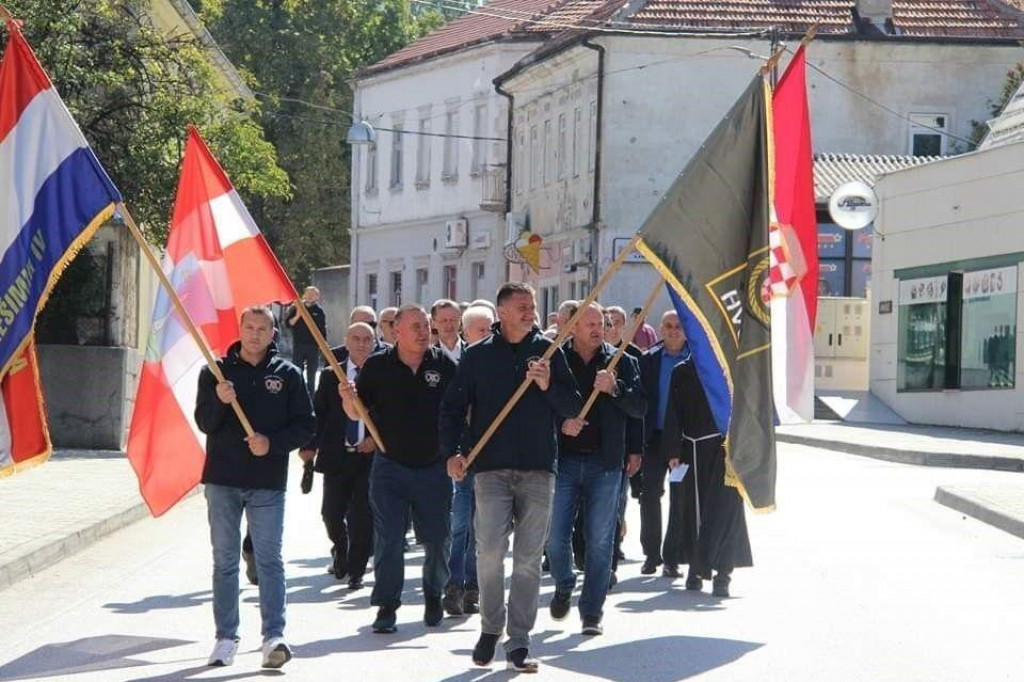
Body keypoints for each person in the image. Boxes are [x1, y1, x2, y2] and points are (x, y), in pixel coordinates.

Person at [441, 283, 582, 673]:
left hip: (538, 466)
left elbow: (573, 406)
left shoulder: (550, 353)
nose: (530, 312)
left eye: (533, 306)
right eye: (521, 306)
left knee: (528, 559)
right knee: (488, 552)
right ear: (501, 312)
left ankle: (519, 640)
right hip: (490, 467)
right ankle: (490, 628)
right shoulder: (477, 356)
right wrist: (452, 452)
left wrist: (547, 384)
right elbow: (452, 407)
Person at [195, 305, 315, 670]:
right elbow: (204, 422)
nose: (255, 334)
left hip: (267, 483)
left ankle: (274, 637)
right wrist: (220, 400)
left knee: (269, 561)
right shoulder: (215, 372)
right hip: (223, 480)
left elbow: (306, 425)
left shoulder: (288, 374)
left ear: (273, 333)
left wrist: (272, 444)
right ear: (240, 329)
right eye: (249, 327)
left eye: (263, 328)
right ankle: (225, 637)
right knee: (226, 561)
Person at [339, 304, 457, 633]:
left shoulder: (444, 365)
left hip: (433, 467)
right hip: (390, 466)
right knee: (389, 538)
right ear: (396, 331)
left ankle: (434, 593)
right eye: (415, 326)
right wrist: (348, 400)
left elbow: (460, 412)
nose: (423, 332)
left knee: (437, 538)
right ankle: (387, 606)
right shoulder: (377, 366)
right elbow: (355, 413)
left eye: (426, 326)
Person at [547, 303, 645, 636]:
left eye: (600, 323)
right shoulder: (556, 360)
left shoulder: (621, 362)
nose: (596, 329)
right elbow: (544, 404)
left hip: (605, 463)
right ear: (571, 327)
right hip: (564, 461)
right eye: (588, 323)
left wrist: (615, 389)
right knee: (556, 537)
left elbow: (640, 407)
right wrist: (562, 423)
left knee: (601, 540)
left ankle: (592, 611)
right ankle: (563, 581)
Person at [660, 353, 753, 597]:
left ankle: (723, 573)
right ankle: (695, 567)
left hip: (725, 451)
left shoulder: (732, 368)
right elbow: (673, 412)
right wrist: (672, 450)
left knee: (725, 512)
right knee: (691, 511)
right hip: (691, 450)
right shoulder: (682, 371)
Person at [301, 322, 377, 591]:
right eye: (356, 338)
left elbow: (392, 416)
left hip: (369, 458)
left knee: (362, 516)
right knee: (331, 513)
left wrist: (376, 442)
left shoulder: (382, 372)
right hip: (337, 455)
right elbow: (318, 413)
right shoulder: (332, 374)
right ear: (346, 341)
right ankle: (340, 548)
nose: (361, 344)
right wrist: (310, 446)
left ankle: (356, 570)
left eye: (367, 339)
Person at [443, 304, 495, 617]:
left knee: (483, 531)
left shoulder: (501, 365)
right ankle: (454, 584)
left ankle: (474, 587)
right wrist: (453, 452)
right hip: (465, 458)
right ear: (466, 333)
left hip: (493, 462)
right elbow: (450, 413)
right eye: (480, 330)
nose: (487, 335)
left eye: (490, 329)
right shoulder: (459, 368)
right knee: (460, 525)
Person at [638, 310, 690, 577]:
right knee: (649, 497)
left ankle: (673, 557)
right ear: (660, 328)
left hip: (682, 442)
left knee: (679, 499)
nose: (673, 330)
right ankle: (651, 555)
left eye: (678, 326)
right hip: (654, 438)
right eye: (668, 325)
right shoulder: (649, 360)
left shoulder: (695, 359)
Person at [286, 286, 327, 397]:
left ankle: (311, 400)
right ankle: (295, 395)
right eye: (308, 293)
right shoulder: (296, 307)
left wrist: (323, 347)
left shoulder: (319, 311)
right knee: (296, 371)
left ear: (317, 297)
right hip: (299, 345)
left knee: (311, 375)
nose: (309, 296)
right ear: (304, 294)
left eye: (313, 294)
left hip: (313, 347)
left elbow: (322, 330)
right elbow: (288, 324)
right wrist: (298, 315)